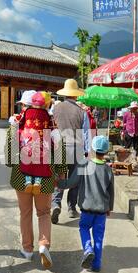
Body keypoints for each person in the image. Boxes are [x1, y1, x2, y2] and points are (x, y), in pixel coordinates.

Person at [5, 91, 68, 269]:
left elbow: (10, 147)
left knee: (25, 213)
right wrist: (61, 172)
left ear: (27, 105)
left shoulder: (17, 121)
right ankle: (43, 245)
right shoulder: (51, 123)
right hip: (46, 177)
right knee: (44, 213)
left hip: (21, 176)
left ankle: (27, 249)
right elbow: (59, 149)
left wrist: (12, 163)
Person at [58, 135, 114, 272]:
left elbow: (71, 183)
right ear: (106, 152)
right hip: (101, 211)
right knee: (99, 237)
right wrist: (109, 208)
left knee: (84, 228)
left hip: (87, 209)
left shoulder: (84, 164)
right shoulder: (108, 170)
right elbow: (111, 192)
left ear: (92, 150)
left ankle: (88, 248)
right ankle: (96, 265)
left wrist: (58, 183)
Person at [51, 79, 91, 224]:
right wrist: (88, 152)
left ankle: (55, 204)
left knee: (59, 176)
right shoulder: (82, 112)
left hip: (60, 147)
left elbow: (51, 127)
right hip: (77, 149)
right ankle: (72, 208)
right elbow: (86, 134)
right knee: (76, 179)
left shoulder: (55, 108)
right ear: (76, 95)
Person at [16, 91, 60, 194]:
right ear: (47, 104)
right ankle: (37, 183)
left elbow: (18, 122)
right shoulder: (49, 116)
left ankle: (27, 182)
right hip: (42, 146)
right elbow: (54, 130)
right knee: (40, 165)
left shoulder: (26, 112)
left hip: (28, 144)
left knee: (27, 164)